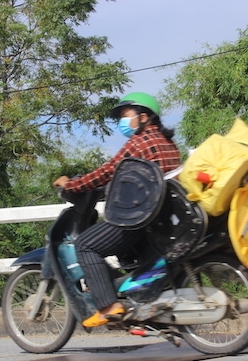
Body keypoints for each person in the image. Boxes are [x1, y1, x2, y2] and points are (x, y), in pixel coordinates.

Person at [53, 92, 181, 327]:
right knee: (127, 257)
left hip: (141, 218)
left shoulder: (140, 142)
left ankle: (109, 306)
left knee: (86, 246)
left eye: (126, 115)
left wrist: (71, 185)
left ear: (143, 117)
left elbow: (107, 171)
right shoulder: (167, 143)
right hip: (162, 217)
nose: (123, 120)